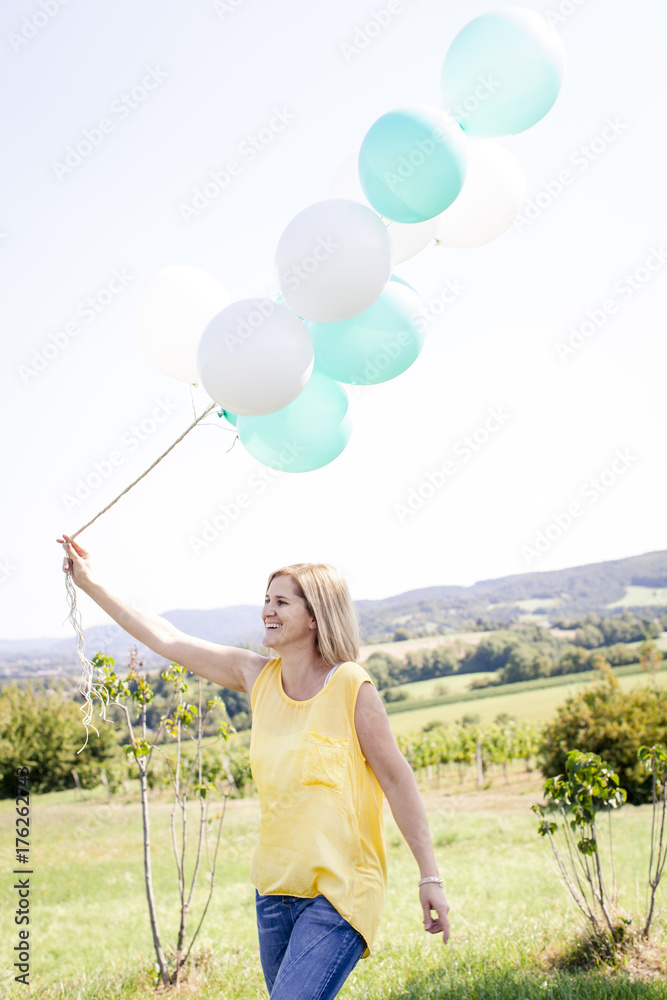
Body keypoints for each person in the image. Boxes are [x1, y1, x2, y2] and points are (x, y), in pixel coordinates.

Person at [58, 534, 450, 1000]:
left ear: (314, 616)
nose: (267, 610)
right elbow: (168, 638)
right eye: (266, 599)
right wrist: (91, 583)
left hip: (341, 894)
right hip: (274, 893)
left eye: (281, 602)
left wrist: (429, 876)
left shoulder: (350, 685)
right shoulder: (257, 677)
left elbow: (397, 779)